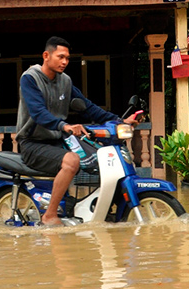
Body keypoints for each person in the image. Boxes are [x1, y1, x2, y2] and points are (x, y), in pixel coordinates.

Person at [16, 36, 139, 226]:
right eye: (60, 57)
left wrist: (119, 121)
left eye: (67, 58)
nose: (65, 62)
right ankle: (49, 215)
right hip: (33, 143)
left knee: (98, 158)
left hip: (57, 140)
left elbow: (88, 107)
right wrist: (64, 126)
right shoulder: (30, 79)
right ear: (46, 55)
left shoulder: (65, 81)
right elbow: (38, 112)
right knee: (72, 160)